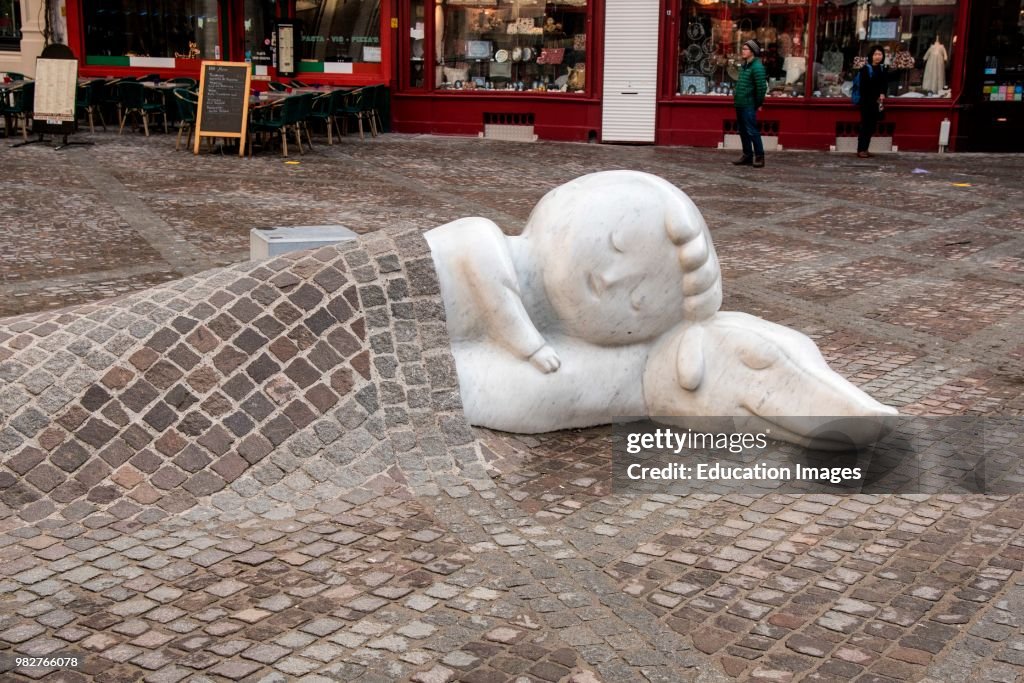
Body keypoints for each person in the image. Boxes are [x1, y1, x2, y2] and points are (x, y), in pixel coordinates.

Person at [732, 39, 768, 168]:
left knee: (752, 131)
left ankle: (760, 156)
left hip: (749, 104)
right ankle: (747, 155)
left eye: (745, 49)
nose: (743, 51)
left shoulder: (757, 67)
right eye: (742, 48)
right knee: (743, 131)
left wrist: (757, 104)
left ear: (753, 52)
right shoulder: (744, 65)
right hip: (740, 104)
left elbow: (761, 88)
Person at [856, 45, 887, 158]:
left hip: (877, 102)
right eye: (875, 54)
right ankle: (860, 149)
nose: (878, 57)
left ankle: (865, 148)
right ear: (871, 55)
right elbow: (863, 87)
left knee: (872, 126)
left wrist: (883, 93)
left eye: (880, 54)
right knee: (865, 125)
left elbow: (884, 84)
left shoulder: (882, 69)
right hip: (866, 102)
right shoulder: (865, 69)